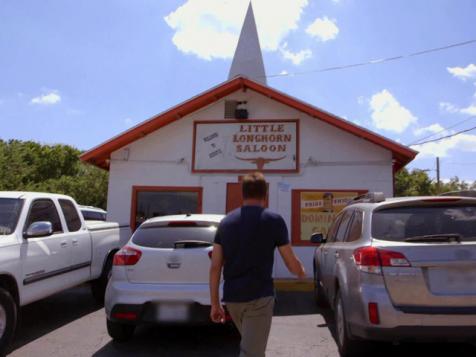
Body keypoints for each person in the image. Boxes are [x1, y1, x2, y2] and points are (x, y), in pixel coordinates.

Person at [209, 172, 306, 357]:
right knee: (252, 352)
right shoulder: (274, 221)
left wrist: (215, 304)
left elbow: (215, 267)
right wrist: (300, 272)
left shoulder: (225, 223)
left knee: (252, 347)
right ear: (265, 194)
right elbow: (290, 261)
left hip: (232, 299)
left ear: (243, 193)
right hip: (259, 299)